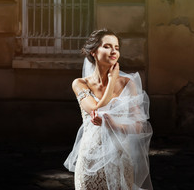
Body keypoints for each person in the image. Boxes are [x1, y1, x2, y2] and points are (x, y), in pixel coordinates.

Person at [64, 28, 153, 190]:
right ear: (93, 52)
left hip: (120, 158)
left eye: (116, 48)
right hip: (90, 157)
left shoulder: (128, 83)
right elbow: (96, 109)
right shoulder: (80, 83)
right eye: (107, 46)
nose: (113, 51)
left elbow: (139, 126)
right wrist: (112, 80)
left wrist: (113, 124)